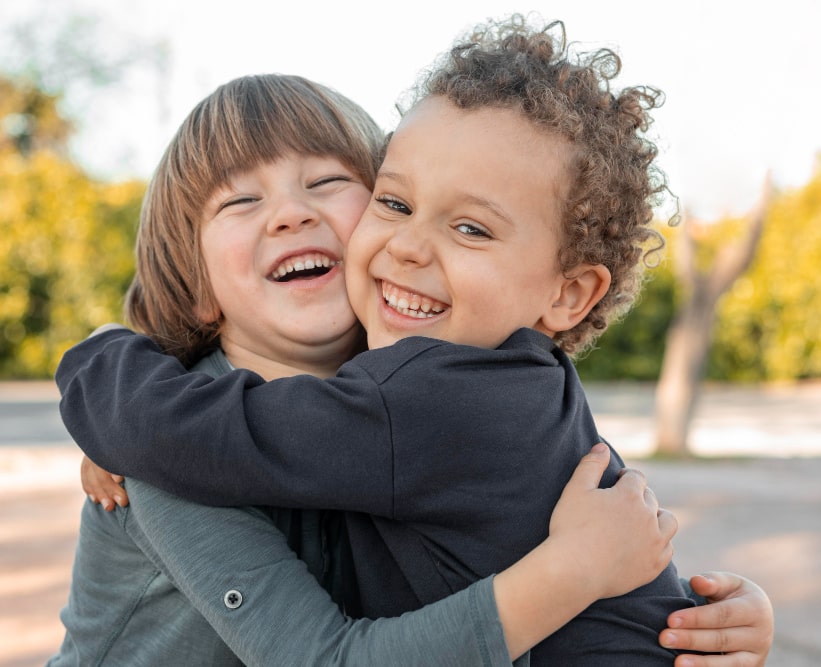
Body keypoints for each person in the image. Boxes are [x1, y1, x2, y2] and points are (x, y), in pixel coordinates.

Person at [56, 16, 774, 666]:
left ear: (567, 292)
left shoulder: (416, 397)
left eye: (329, 182)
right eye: (398, 205)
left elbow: (606, 545)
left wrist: (105, 370)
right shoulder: (173, 456)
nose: (289, 215)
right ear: (197, 279)